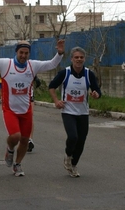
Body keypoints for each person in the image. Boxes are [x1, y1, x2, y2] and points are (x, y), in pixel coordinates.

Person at [0, 38, 65, 176]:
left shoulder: (33, 66)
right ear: (16, 52)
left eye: (26, 53)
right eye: (21, 53)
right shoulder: (6, 64)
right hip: (10, 109)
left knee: (25, 139)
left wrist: (59, 54)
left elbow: (51, 64)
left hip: (26, 110)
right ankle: (10, 149)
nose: (23, 56)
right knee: (15, 136)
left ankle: (17, 165)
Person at [49, 46, 101, 178]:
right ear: (71, 59)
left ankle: (73, 165)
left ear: (84, 59)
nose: (79, 60)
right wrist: (56, 101)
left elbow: (97, 90)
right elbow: (52, 87)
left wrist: (96, 95)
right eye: (76, 57)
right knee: (73, 137)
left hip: (83, 112)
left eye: (81, 57)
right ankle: (67, 155)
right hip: (68, 111)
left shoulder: (89, 74)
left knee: (81, 141)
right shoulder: (64, 73)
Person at [27, 75, 41, 152]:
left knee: (30, 117)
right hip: (18, 97)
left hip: (29, 96)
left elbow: (37, 80)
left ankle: (30, 140)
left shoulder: (30, 68)